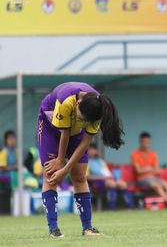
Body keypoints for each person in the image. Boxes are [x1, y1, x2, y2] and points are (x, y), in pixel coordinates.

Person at [37, 82, 124, 237]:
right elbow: (65, 134)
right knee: (51, 176)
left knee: (80, 176)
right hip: (51, 127)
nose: (81, 120)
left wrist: (66, 169)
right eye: (80, 117)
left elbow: (86, 141)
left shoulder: (97, 109)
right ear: (77, 103)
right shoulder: (66, 100)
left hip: (76, 133)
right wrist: (59, 162)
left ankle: (88, 228)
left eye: (85, 121)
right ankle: (53, 229)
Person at [131, 132, 167, 207]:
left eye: (147, 142)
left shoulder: (153, 154)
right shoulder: (135, 154)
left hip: (154, 177)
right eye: (144, 142)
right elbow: (138, 171)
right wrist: (150, 169)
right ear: (140, 142)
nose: (146, 144)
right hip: (142, 179)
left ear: (150, 142)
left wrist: (147, 169)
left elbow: (157, 170)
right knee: (157, 186)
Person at [87, 143, 134, 210]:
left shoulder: (100, 161)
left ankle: (131, 207)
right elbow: (87, 177)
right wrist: (102, 177)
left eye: (93, 149)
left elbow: (107, 173)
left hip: (106, 180)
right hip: (95, 183)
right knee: (111, 183)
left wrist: (111, 177)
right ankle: (112, 208)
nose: (91, 151)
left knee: (122, 184)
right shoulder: (86, 162)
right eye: (90, 149)